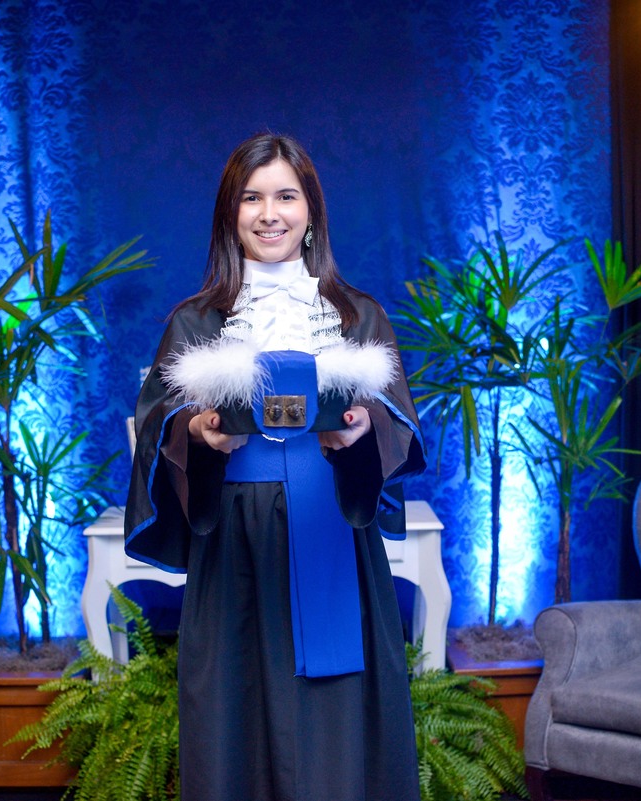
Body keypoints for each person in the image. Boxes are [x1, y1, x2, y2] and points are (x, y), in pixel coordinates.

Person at [124, 133, 426, 801]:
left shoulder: (358, 316)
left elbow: (396, 423)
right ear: (229, 214)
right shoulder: (195, 322)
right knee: (235, 720)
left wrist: (361, 434)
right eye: (251, 198)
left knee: (339, 722)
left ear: (311, 210)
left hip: (333, 532)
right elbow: (156, 427)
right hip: (235, 541)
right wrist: (196, 434)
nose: (269, 214)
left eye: (286, 196)